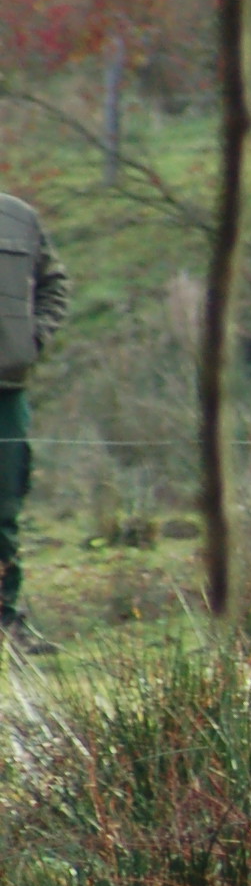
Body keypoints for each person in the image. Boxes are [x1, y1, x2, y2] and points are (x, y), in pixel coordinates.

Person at [0, 188, 71, 657]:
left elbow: (55, 284)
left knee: (4, 506)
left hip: (6, 391)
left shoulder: (19, 218)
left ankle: (6, 623)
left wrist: (32, 339)